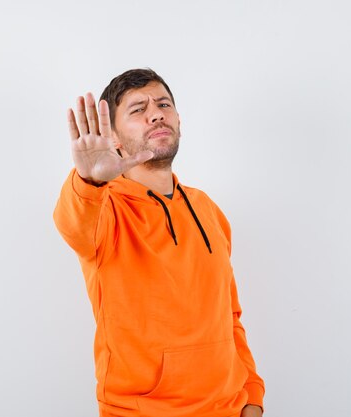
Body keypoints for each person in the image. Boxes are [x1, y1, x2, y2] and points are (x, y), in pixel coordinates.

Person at [53, 68, 265, 417]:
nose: (156, 113)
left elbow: (229, 315)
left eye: (164, 104)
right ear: (114, 137)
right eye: (137, 109)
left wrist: (252, 395)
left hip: (229, 408)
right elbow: (72, 224)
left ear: (178, 119)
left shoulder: (207, 209)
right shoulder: (103, 208)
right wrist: (88, 180)